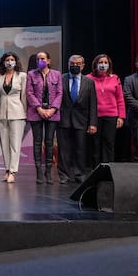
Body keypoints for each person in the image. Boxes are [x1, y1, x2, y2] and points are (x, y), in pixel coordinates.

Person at [57, 55, 98, 184]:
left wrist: (93, 123)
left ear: (83, 65)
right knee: (64, 149)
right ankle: (64, 175)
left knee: (80, 149)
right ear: (68, 64)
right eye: (72, 63)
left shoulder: (89, 82)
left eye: (78, 63)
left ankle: (79, 174)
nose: (75, 66)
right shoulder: (60, 79)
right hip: (63, 119)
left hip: (82, 120)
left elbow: (93, 104)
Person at [26, 51, 62, 184]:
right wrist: (39, 108)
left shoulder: (56, 74)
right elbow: (29, 93)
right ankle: (39, 172)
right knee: (37, 142)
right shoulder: (31, 74)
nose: (40, 61)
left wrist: (52, 109)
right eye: (38, 59)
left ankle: (48, 171)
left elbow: (59, 93)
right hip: (36, 112)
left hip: (52, 113)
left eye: (42, 58)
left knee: (49, 142)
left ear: (48, 60)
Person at [0, 52, 27, 183]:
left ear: (16, 61)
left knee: (15, 144)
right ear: (3, 62)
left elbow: (24, 95)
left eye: (12, 59)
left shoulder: (22, 76)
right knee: (4, 143)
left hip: (17, 113)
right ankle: (7, 169)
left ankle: (13, 171)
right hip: (1, 113)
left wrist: (25, 112)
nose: (9, 62)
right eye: (7, 59)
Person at [86, 54, 125, 164]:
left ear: (109, 65)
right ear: (95, 64)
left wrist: (121, 117)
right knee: (95, 144)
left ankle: (108, 168)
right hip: (94, 117)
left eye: (105, 63)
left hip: (111, 116)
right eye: (100, 62)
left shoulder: (115, 78)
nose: (103, 65)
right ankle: (95, 169)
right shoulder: (88, 78)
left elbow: (120, 99)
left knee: (109, 143)